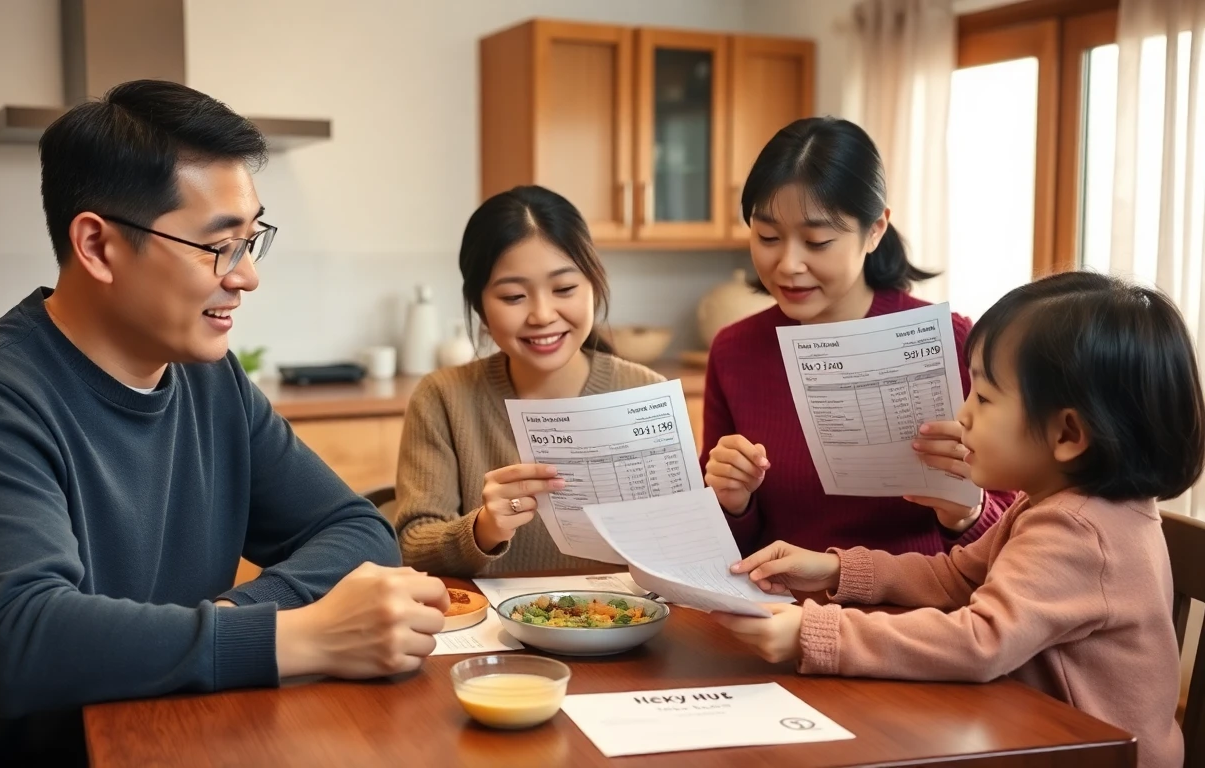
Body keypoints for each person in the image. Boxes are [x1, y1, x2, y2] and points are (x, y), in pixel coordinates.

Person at [0, 80, 448, 765]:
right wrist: (300, 636)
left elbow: (358, 530)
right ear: (98, 246)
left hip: (158, 730)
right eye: (219, 245)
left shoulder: (209, 377)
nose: (247, 276)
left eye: (252, 238)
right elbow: (18, 640)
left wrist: (234, 623)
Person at [716, 271, 1198, 768]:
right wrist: (835, 569)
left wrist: (811, 632)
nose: (963, 415)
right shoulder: (1057, 503)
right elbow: (957, 576)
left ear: (1068, 433)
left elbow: (980, 641)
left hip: (1089, 755)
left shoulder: (1079, 530)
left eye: (984, 398)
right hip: (1030, 732)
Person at [703, 116, 1012, 557]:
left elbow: (1020, 536)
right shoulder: (735, 351)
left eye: (818, 241)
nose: (788, 263)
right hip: (782, 608)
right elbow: (718, 548)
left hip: (914, 614)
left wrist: (966, 510)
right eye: (768, 236)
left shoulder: (952, 340)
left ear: (875, 231)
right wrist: (733, 504)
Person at [393, 185, 664, 576]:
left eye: (565, 289)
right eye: (514, 296)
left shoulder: (645, 395)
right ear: (480, 308)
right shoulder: (443, 398)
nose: (541, 315)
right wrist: (484, 527)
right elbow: (412, 544)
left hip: (625, 627)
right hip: (497, 632)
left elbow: (680, 547)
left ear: (594, 285)